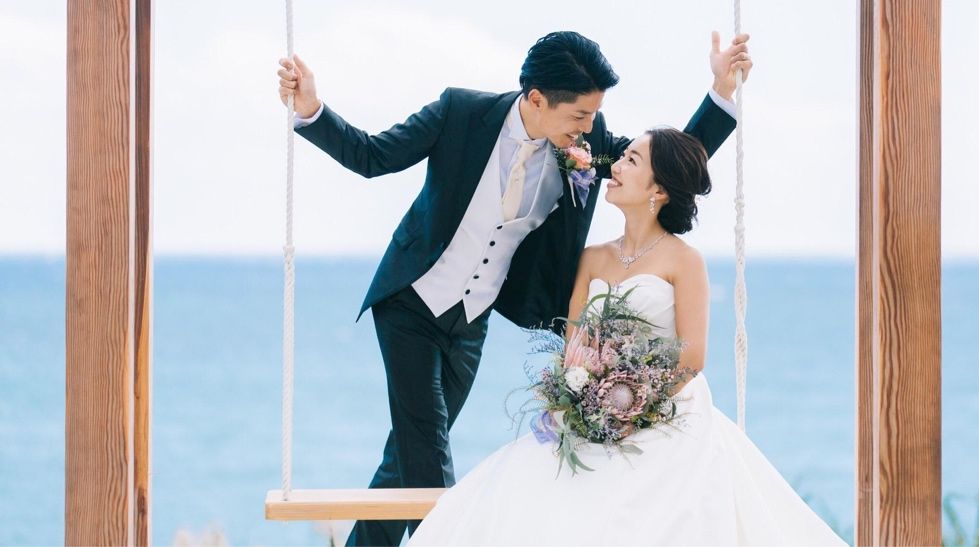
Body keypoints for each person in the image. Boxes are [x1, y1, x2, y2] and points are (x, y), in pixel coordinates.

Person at [276, 31, 752, 546]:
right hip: (411, 301)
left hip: (470, 321)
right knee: (427, 445)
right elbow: (373, 156)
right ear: (537, 100)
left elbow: (668, 167)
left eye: (594, 115)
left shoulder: (583, 141)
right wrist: (312, 110)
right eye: (580, 115)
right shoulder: (460, 113)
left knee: (406, 459)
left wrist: (721, 92)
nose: (589, 128)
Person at [406, 128, 847, 547]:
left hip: (666, 415)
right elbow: (574, 345)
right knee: (516, 494)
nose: (615, 166)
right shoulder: (593, 258)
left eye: (631, 160)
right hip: (590, 413)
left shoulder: (685, 261)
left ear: (659, 190)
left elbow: (692, 357)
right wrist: (584, 400)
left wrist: (632, 407)